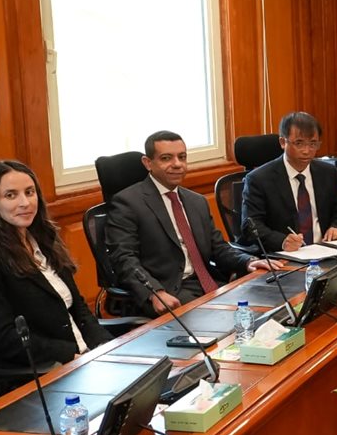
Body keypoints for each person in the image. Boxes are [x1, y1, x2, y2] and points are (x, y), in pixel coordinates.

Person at [0, 160, 112, 375]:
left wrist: (107, 347)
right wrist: (72, 357)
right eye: (11, 195)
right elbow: (4, 338)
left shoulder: (43, 238)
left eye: (30, 192)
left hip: (84, 357)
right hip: (45, 370)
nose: (25, 203)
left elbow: (79, 308)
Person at [107, 131, 278, 316]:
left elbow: (218, 247)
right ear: (148, 163)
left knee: (267, 307)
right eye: (166, 158)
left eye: (182, 157)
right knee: (229, 320)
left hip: (209, 282)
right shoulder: (127, 203)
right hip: (169, 290)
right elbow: (124, 258)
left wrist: (248, 261)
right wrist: (155, 293)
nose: (177, 164)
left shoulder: (196, 201)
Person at [241, 111, 337, 252]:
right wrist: (282, 241)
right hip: (283, 254)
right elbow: (250, 226)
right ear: (282, 142)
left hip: (326, 250)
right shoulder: (259, 179)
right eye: (299, 143)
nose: (306, 151)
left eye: (313, 144)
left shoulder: (329, 173)